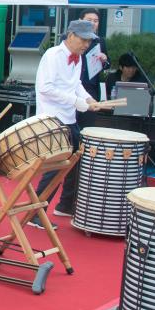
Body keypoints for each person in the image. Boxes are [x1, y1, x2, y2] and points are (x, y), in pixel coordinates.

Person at [29, 20, 101, 228]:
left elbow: (75, 84)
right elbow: (45, 88)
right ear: (70, 36)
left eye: (89, 40)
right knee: (54, 168)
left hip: (68, 117)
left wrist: (88, 99)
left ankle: (63, 204)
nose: (86, 44)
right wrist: (76, 101)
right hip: (52, 118)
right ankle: (36, 212)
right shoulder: (52, 55)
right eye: (83, 39)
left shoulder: (78, 58)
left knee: (71, 164)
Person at [77, 9, 109, 128]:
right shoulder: (71, 38)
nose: (93, 23)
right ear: (80, 21)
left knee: (87, 124)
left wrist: (104, 59)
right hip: (73, 86)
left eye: (96, 21)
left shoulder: (99, 41)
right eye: (89, 20)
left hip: (91, 87)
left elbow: (107, 64)